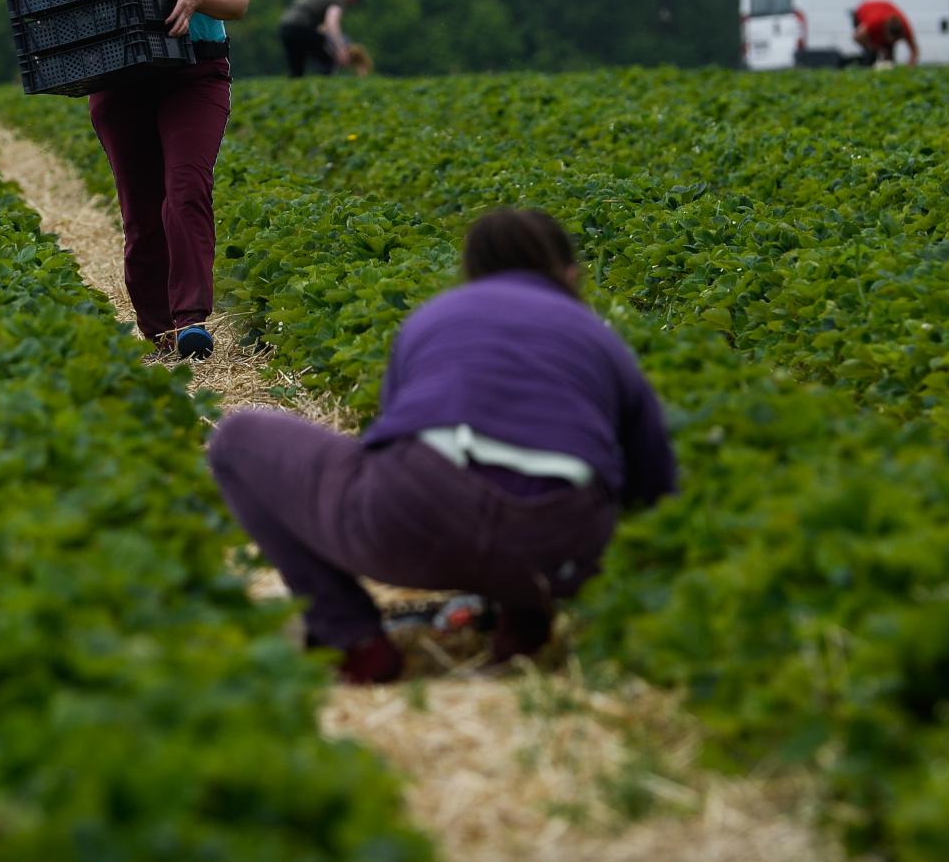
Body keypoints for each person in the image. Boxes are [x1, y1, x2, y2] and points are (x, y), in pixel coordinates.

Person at [206, 208, 677, 685]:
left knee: (237, 441)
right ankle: (525, 629)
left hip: (418, 521)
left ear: (470, 273)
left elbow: (387, 445)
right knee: (542, 475)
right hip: (557, 554)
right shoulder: (602, 339)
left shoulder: (436, 317)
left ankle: (354, 641)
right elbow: (654, 483)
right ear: (570, 275)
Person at [87, 0, 250, 361]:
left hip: (196, 69)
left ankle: (190, 322)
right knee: (141, 208)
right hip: (124, 73)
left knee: (185, 189)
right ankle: (157, 331)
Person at [278, 0, 364, 77]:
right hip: (300, 28)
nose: (353, 2)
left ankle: (296, 85)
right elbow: (332, 23)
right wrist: (340, 49)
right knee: (328, 61)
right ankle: (325, 86)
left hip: (286, 27)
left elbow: (323, 28)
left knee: (297, 70)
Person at [851, 0, 918, 66]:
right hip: (863, 9)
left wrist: (910, 66)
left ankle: (887, 65)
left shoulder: (906, 28)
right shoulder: (874, 22)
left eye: (895, 41)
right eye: (891, 40)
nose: (893, 42)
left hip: (883, 9)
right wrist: (872, 48)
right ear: (885, 30)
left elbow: (914, 51)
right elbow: (856, 37)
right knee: (872, 54)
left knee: (888, 51)